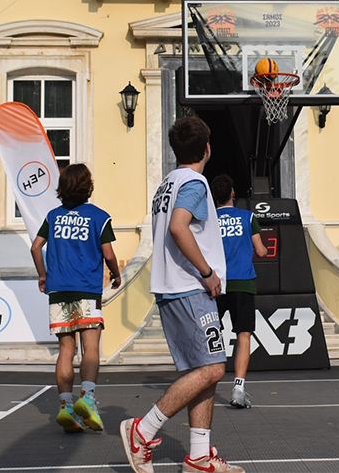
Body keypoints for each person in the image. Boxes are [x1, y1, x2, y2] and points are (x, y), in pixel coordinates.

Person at [120, 116, 242, 473]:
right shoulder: (194, 183)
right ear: (207, 148)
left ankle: (199, 455)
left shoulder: (167, 183)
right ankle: (143, 431)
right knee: (214, 369)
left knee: (204, 368)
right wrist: (206, 272)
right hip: (189, 287)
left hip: (174, 287)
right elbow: (178, 227)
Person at [30, 163, 121, 433]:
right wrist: (116, 274)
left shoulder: (53, 216)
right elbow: (108, 253)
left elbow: (36, 247)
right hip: (86, 289)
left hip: (59, 289)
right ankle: (89, 399)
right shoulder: (99, 216)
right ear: (87, 186)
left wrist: (43, 275)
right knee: (90, 347)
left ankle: (66, 406)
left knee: (66, 350)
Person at [209, 174, 267, 409]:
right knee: (243, 335)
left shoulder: (208, 220)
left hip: (216, 284)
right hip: (242, 283)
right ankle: (238, 389)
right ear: (233, 193)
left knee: (212, 336)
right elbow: (262, 251)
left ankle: (206, 384)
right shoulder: (248, 216)